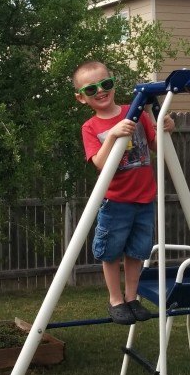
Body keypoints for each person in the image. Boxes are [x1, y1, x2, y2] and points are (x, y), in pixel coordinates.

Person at [73, 60, 174, 325]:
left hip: (144, 198)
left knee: (137, 251)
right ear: (81, 98)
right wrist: (113, 135)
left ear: (113, 84)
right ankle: (116, 299)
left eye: (105, 84)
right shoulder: (90, 127)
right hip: (115, 200)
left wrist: (165, 126)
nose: (100, 91)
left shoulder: (135, 111)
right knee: (110, 251)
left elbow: (155, 144)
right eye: (91, 89)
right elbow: (99, 163)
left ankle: (132, 297)